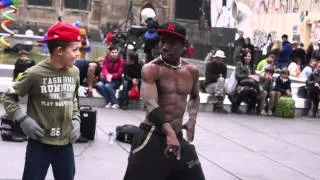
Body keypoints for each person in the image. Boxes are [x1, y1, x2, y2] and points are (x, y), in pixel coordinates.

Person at [124, 21, 205, 180]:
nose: (165, 46)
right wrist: (169, 132)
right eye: (163, 41)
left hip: (177, 136)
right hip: (152, 136)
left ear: (183, 45)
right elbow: (150, 103)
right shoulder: (151, 69)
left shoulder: (191, 71)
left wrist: (192, 120)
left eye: (171, 43)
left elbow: (195, 97)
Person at [1, 22, 81, 180]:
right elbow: (8, 96)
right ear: (59, 51)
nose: (78, 54)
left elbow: (74, 99)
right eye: (75, 49)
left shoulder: (75, 72)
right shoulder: (34, 74)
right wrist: (22, 119)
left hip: (65, 144)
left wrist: (76, 118)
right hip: (39, 144)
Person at [230, 50, 261, 114]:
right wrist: (248, 76)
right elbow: (237, 76)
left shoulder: (252, 66)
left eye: (249, 56)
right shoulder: (239, 64)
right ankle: (235, 107)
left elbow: (253, 76)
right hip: (240, 85)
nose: (247, 58)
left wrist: (256, 77)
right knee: (246, 89)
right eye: (246, 56)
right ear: (243, 57)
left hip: (251, 85)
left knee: (254, 90)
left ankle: (251, 108)